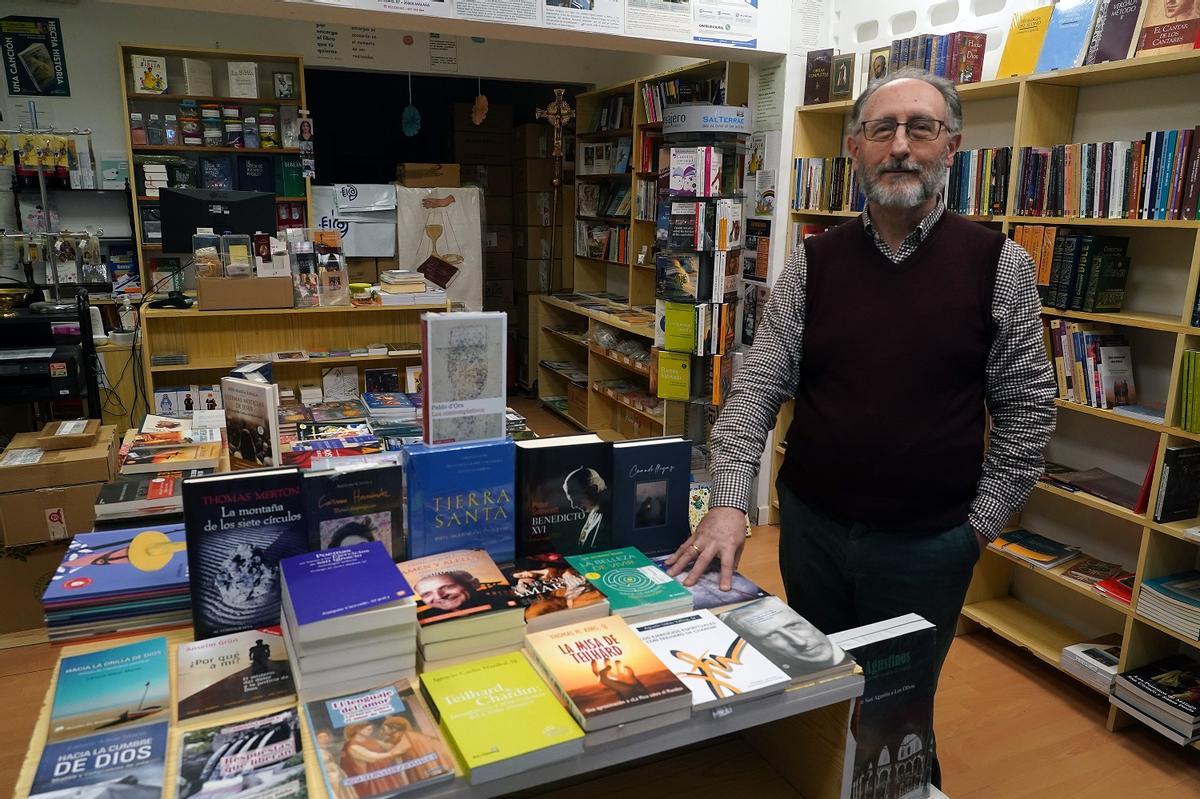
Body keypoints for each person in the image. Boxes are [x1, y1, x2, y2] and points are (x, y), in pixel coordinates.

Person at [666, 67, 1056, 787]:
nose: (902, 146)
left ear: (952, 146)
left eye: (922, 128)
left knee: (896, 719)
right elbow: (759, 385)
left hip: (930, 546)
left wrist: (974, 529)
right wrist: (727, 497)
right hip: (813, 533)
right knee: (820, 691)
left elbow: (1029, 412)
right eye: (884, 129)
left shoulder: (998, 265)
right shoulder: (812, 264)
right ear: (855, 149)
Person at [562, 466, 610, 549]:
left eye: (577, 499)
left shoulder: (614, 515)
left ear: (593, 489)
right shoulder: (594, 511)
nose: (573, 506)